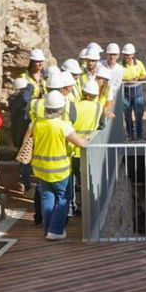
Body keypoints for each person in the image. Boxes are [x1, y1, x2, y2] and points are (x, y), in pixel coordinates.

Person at [26, 91, 90, 240]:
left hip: (40, 168)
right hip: (60, 170)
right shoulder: (64, 126)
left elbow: (26, 142)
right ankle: (55, 231)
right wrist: (86, 139)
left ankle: (48, 229)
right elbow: (80, 143)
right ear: (61, 109)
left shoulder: (35, 123)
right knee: (63, 199)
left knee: (47, 198)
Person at [8, 49, 46, 193]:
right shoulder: (25, 78)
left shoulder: (45, 76)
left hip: (41, 116)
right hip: (27, 119)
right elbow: (23, 99)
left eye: (41, 61)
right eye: (37, 61)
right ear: (31, 62)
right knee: (27, 148)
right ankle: (25, 181)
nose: (40, 64)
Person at [69, 79, 106, 216]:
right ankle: (88, 208)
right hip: (89, 149)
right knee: (87, 181)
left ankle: (72, 207)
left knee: (72, 181)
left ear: (83, 92)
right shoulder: (99, 107)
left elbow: (69, 124)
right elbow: (102, 126)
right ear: (95, 95)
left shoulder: (73, 106)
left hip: (72, 148)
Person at [119, 43, 146, 140]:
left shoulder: (139, 63)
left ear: (133, 55)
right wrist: (124, 81)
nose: (126, 57)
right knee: (127, 116)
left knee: (139, 115)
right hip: (125, 94)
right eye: (125, 54)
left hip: (137, 93)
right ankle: (130, 135)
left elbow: (144, 75)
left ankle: (139, 136)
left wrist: (138, 78)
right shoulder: (119, 65)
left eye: (128, 54)